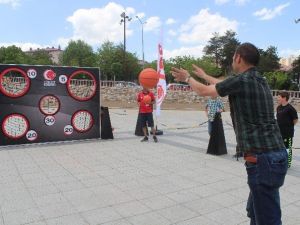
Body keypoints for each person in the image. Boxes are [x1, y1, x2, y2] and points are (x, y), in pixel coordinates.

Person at [171, 42, 288, 225]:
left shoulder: (241, 80)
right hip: (276, 156)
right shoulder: (259, 79)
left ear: (238, 58)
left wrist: (188, 78)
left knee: (268, 219)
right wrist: (203, 75)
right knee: (255, 211)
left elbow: (204, 91)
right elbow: (224, 85)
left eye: (233, 57)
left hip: (262, 159)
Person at [276, 90, 298, 168]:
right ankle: (280, 161)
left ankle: (287, 163)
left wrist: (289, 127)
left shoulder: (290, 108)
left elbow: (295, 120)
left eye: (279, 97)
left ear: (284, 98)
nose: (277, 98)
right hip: (279, 132)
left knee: (287, 148)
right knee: (279, 148)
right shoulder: (278, 107)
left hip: (288, 133)